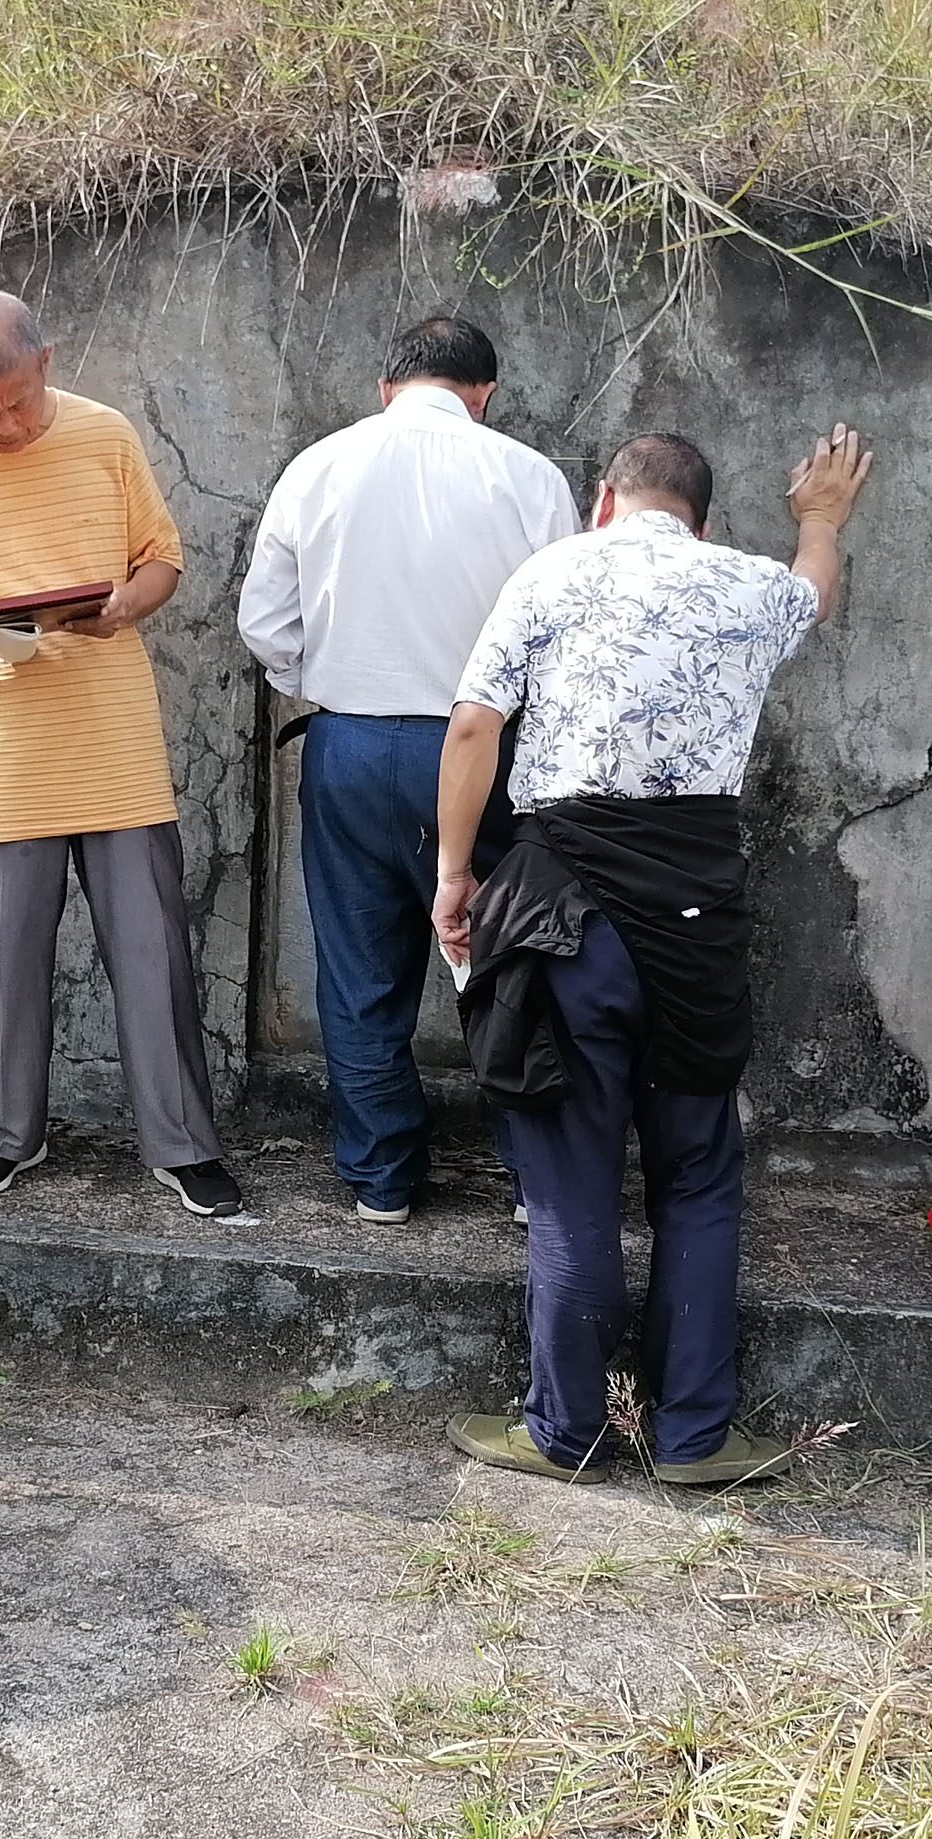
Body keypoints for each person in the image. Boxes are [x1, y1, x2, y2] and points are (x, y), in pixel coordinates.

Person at [432, 426, 875, 1487]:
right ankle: (693, 1440)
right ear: (704, 521)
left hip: (564, 918)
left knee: (573, 1183)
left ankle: (564, 1432)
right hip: (696, 924)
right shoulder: (747, 585)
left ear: (604, 503)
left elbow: (471, 729)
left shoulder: (552, 573)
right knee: (698, 1179)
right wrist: (820, 515)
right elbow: (815, 593)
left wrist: (455, 874)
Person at [0, 290, 246, 1219]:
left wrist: (126, 605)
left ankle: (182, 1145)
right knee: (0, 961)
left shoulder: (107, 436)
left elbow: (162, 556)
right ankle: (6, 1136)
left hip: (112, 738)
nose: (1, 424)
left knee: (152, 953)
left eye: (17, 402)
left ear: (48, 361)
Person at [237, 315, 578, 1226]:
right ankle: (531, 1175)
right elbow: (564, 631)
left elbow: (265, 623)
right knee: (509, 962)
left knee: (359, 975)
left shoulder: (316, 466)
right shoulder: (529, 477)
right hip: (486, 750)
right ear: (484, 394)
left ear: (387, 387)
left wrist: (336, 681)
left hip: (348, 746)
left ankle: (381, 1179)